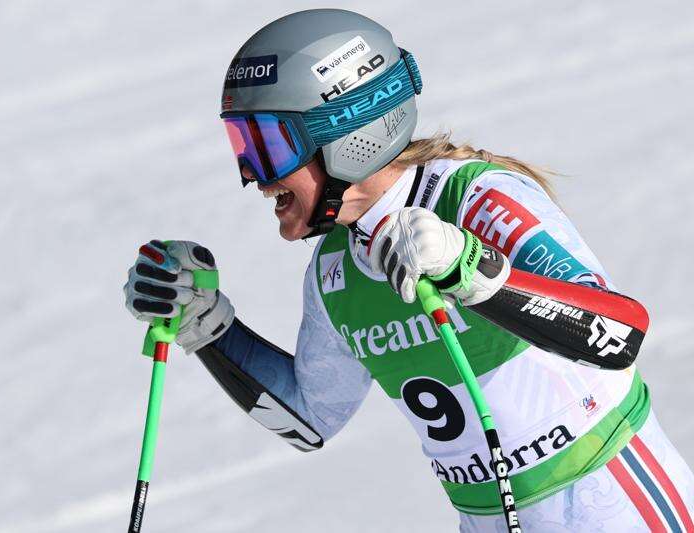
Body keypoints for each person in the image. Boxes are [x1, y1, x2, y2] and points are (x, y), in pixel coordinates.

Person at [124, 8, 694, 532]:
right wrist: (208, 326)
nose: (254, 176)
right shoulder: (334, 273)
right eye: (242, 146)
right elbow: (309, 419)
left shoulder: (475, 200)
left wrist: (474, 271)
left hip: (611, 502)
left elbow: (620, 334)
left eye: (268, 146)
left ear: (346, 130)